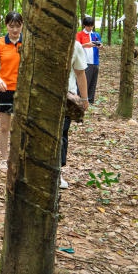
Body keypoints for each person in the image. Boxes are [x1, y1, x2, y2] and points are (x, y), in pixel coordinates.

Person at [0, 11, 23, 173]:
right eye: (11, 26)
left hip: (24, 91)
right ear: (6, 26)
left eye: (18, 26)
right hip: (5, 89)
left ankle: (20, 158)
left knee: (22, 127)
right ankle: (4, 158)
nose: (15, 30)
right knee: (4, 127)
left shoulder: (28, 42)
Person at [60, 40, 89, 188]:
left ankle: (57, 173)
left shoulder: (75, 45)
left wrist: (84, 98)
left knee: (62, 134)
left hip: (66, 98)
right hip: (40, 97)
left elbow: (80, 72)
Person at [76, 16, 102, 104]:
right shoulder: (79, 34)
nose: (90, 28)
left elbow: (100, 45)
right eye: (88, 26)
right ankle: (80, 100)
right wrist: (86, 44)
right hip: (85, 61)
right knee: (84, 81)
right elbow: (76, 47)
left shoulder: (96, 35)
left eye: (91, 26)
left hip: (95, 61)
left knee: (93, 82)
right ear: (84, 25)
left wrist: (100, 46)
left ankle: (90, 101)